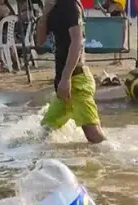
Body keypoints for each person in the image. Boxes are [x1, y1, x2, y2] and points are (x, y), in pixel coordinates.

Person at [36, 0, 105, 143]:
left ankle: (114, 160)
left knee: (94, 136)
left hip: (77, 80)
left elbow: (77, 42)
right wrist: (45, 14)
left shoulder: (70, 5)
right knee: (45, 132)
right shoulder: (53, 7)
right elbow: (40, 41)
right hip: (63, 80)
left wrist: (66, 78)